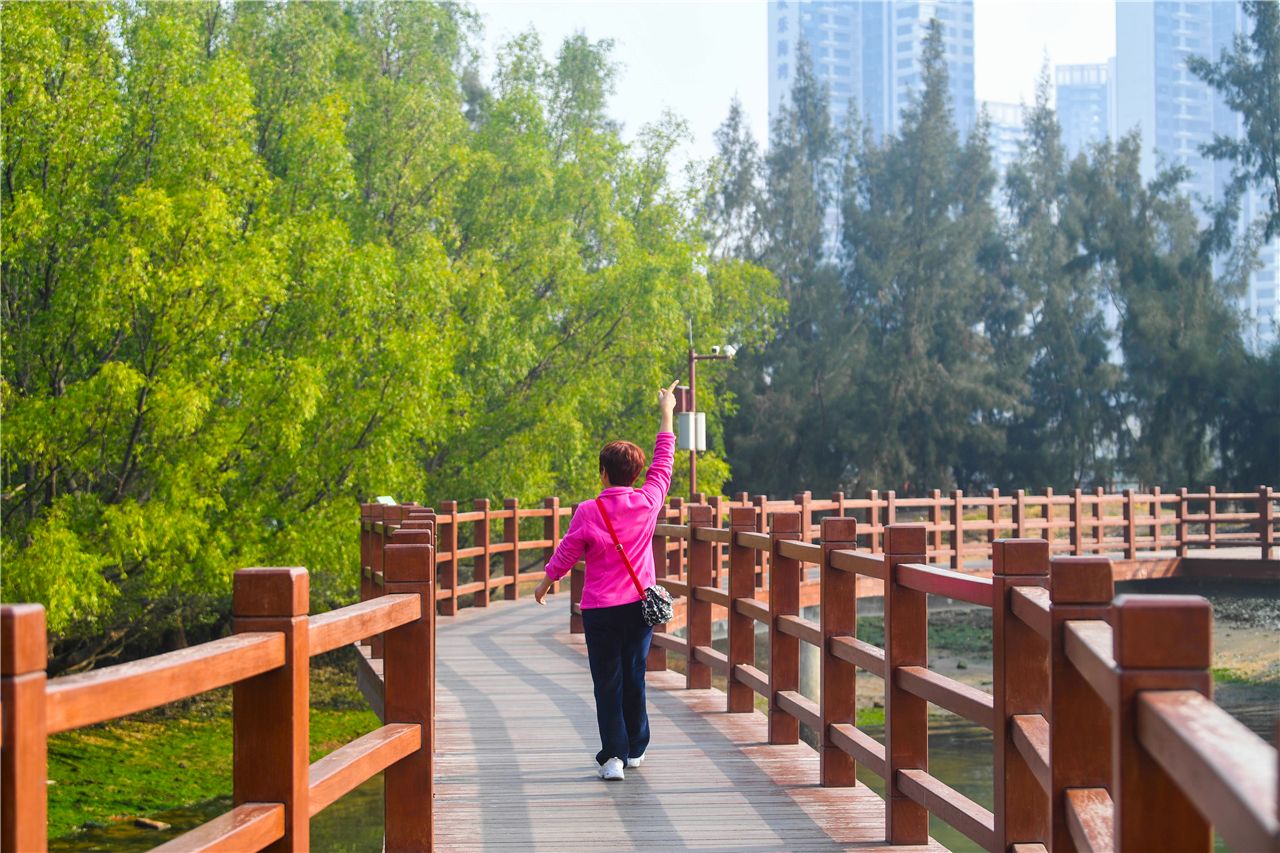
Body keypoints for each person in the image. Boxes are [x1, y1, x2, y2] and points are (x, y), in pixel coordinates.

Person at [534, 380, 680, 781]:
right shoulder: (649, 501)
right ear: (636, 473)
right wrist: (667, 411)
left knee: (607, 682)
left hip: (600, 611)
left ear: (602, 473)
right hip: (638, 608)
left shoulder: (587, 510)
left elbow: (567, 551)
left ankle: (613, 757)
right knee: (635, 674)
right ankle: (636, 748)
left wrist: (547, 581)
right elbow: (664, 462)